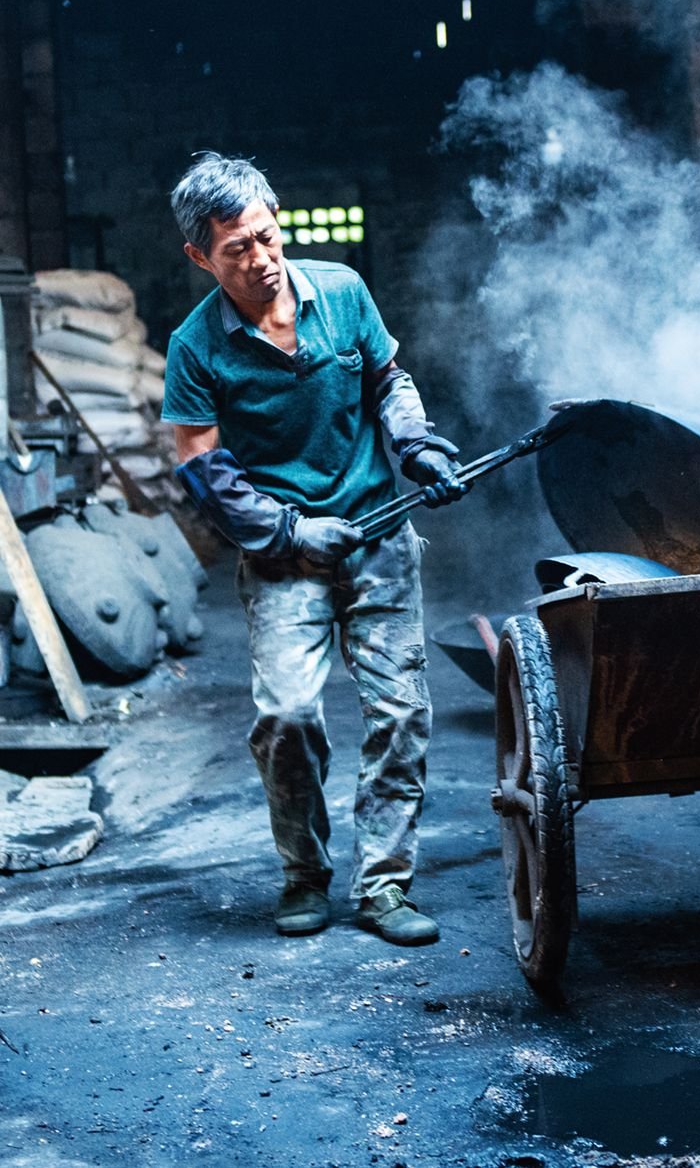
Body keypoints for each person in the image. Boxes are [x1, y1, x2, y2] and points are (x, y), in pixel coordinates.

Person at [161, 152, 468, 945]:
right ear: (201, 256)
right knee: (289, 715)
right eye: (238, 249)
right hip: (282, 556)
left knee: (400, 713)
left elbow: (388, 381)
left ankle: (384, 887)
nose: (262, 260)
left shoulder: (342, 290)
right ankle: (304, 874)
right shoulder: (195, 349)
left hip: (378, 537)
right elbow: (201, 468)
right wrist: (293, 531)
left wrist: (417, 446)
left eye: (267, 236)